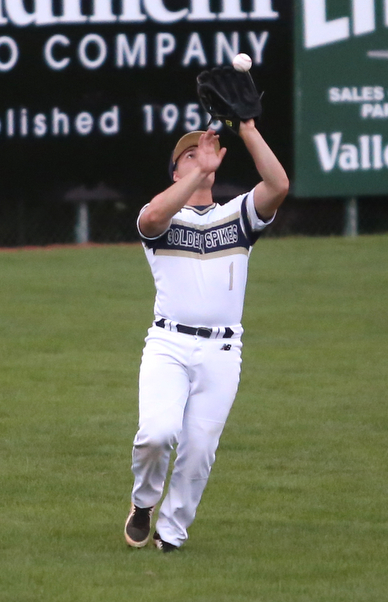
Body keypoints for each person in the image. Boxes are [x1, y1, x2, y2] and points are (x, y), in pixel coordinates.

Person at [124, 119, 289, 552]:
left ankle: (170, 535)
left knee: (199, 450)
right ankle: (143, 504)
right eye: (188, 155)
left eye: (204, 152)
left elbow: (278, 185)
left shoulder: (236, 215)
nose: (200, 155)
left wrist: (249, 129)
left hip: (222, 350)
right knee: (157, 434)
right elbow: (153, 216)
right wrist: (201, 170)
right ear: (176, 173)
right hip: (169, 345)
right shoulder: (159, 217)